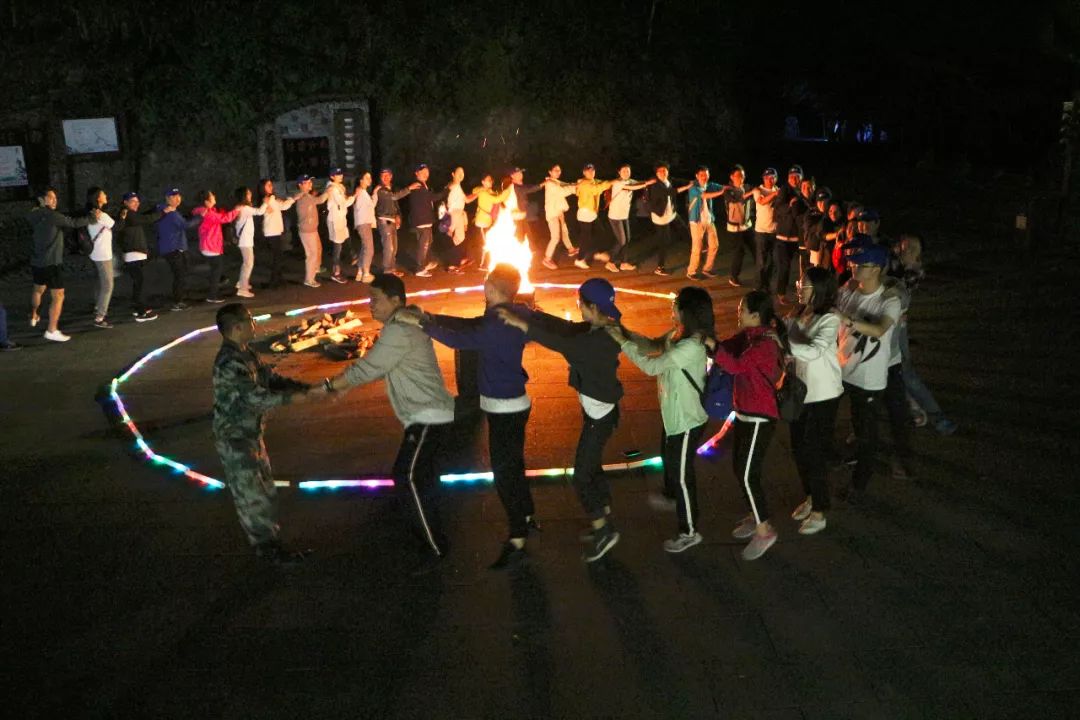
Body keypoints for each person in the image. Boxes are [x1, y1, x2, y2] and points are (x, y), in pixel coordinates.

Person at [401, 264, 537, 569]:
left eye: (486, 282)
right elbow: (470, 325)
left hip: (503, 408)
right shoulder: (514, 313)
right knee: (513, 464)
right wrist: (431, 318)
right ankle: (527, 513)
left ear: (490, 288)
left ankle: (518, 536)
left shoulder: (495, 326)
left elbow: (459, 340)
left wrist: (422, 324)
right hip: (516, 403)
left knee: (504, 474)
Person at [319, 274, 456, 563]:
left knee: (408, 476)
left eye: (376, 299)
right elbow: (375, 368)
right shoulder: (402, 325)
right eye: (370, 299)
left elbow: (366, 369)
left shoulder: (399, 331)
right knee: (421, 478)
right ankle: (429, 536)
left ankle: (434, 547)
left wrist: (330, 387)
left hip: (428, 415)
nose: (371, 305)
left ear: (395, 300)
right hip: (428, 413)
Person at [496, 278, 625, 563]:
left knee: (581, 475)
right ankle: (604, 516)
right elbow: (566, 329)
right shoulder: (605, 326)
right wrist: (531, 314)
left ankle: (604, 531)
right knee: (591, 467)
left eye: (580, 304)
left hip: (599, 417)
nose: (578, 308)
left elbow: (559, 341)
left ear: (592, 307)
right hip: (601, 412)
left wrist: (522, 324)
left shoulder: (592, 342)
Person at [608, 286, 711, 553]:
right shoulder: (678, 334)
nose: (671, 308)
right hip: (674, 417)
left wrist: (622, 343)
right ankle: (673, 496)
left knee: (683, 476)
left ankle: (689, 531)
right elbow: (653, 345)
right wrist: (624, 332)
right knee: (673, 465)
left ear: (687, 311)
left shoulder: (691, 345)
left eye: (675, 305)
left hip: (688, 420)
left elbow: (651, 366)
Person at [212, 303, 311, 565]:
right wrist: (295, 398)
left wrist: (306, 389)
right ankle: (268, 551)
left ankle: (271, 544)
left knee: (264, 490)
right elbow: (255, 398)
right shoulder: (229, 362)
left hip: (250, 434)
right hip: (235, 438)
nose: (254, 323)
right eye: (249, 320)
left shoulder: (247, 353)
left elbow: (270, 379)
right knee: (252, 497)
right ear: (237, 327)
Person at [712, 290, 785, 560]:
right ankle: (756, 515)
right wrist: (710, 343)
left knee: (746, 472)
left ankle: (765, 530)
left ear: (755, 315)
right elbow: (727, 348)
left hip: (759, 416)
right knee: (739, 467)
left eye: (742, 309)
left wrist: (713, 348)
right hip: (744, 411)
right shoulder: (748, 336)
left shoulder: (764, 344)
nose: (738, 312)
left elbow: (735, 365)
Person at [834, 244, 902, 500]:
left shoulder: (889, 301)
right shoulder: (850, 292)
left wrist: (847, 319)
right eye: (854, 263)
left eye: (861, 264)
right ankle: (849, 458)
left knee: (866, 434)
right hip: (843, 371)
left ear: (876, 269)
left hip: (869, 379)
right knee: (850, 421)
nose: (854, 267)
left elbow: (880, 329)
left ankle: (859, 484)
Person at [786, 268, 843, 535]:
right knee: (798, 448)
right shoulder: (799, 313)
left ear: (819, 288)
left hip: (823, 395)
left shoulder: (830, 318)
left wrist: (784, 342)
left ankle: (820, 510)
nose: (800, 288)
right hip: (800, 392)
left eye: (805, 284)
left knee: (814, 451)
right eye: (800, 283)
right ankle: (810, 496)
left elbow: (814, 350)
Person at [890, 235, 957, 435]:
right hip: (892, 323)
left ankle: (937, 417)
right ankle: (915, 409)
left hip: (896, 327)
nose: (901, 251)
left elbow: (896, 290)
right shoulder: (897, 266)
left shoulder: (912, 272)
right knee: (895, 373)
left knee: (905, 372)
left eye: (906, 249)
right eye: (901, 248)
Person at [28, 186, 95, 341]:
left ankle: (34, 315)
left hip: (37, 261)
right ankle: (51, 330)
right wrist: (91, 218)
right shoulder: (52, 216)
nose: (54, 200)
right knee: (58, 295)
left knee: (38, 289)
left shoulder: (33, 214)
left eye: (55, 198)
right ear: (41, 200)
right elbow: (73, 223)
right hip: (51, 262)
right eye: (51, 197)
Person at [114, 191, 164, 321]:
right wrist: (162, 212)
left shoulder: (129, 214)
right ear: (125, 202)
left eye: (137, 201)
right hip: (134, 254)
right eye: (133, 201)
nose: (137, 204)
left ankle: (139, 308)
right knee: (141, 284)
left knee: (139, 283)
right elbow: (145, 219)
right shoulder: (127, 213)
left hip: (135, 254)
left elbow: (143, 216)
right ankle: (142, 312)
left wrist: (155, 209)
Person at [155, 187, 199, 311]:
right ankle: (177, 301)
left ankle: (180, 298)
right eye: (174, 196)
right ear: (167, 198)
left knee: (181, 274)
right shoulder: (171, 213)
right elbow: (185, 225)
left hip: (171, 248)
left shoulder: (166, 211)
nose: (178, 199)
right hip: (173, 248)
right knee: (180, 275)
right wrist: (200, 217)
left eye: (179, 196)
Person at [193, 190, 240, 303]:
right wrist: (237, 210)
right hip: (211, 246)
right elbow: (225, 218)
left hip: (209, 245)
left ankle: (217, 286)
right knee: (216, 271)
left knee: (216, 269)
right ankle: (212, 295)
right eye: (212, 196)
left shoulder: (207, 211)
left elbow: (220, 216)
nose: (214, 196)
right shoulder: (207, 213)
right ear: (206, 201)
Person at [604, 164, 652, 272]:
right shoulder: (618, 183)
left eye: (628, 171)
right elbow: (633, 187)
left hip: (624, 215)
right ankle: (610, 262)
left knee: (627, 239)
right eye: (624, 171)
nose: (626, 173)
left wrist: (650, 181)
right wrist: (647, 183)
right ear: (619, 172)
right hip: (615, 216)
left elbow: (638, 183)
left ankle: (624, 263)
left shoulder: (630, 181)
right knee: (622, 240)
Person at [401, 163, 446, 277]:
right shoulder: (418, 185)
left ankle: (424, 263)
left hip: (425, 220)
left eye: (427, 172)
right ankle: (420, 268)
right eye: (423, 172)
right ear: (417, 173)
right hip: (421, 220)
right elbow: (432, 197)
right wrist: (446, 191)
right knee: (423, 244)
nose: (426, 174)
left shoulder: (423, 185)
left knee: (428, 242)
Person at [684, 165, 725, 280]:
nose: (704, 177)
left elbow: (723, 187)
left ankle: (707, 269)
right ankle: (691, 271)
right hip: (696, 221)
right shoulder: (693, 188)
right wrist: (721, 192)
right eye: (701, 175)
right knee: (697, 248)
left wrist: (730, 187)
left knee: (714, 245)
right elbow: (704, 196)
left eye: (706, 175)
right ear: (697, 176)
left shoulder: (709, 185)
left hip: (709, 220)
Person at [771, 165, 805, 304]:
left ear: (801, 178)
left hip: (799, 237)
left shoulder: (804, 190)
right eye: (791, 177)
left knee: (804, 267)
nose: (794, 179)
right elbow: (778, 210)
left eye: (797, 176)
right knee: (784, 267)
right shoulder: (784, 190)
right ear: (788, 178)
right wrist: (790, 205)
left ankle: (805, 292)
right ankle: (781, 293)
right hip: (783, 237)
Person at [258, 178, 300, 289]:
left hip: (275, 230)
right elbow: (281, 206)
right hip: (271, 231)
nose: (271, 187)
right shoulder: (267, 199)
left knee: (278, 256)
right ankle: (274, 281)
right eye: (268, 185)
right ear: (263, 188)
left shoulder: (272, 198)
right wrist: (292, 199)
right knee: (277, 256)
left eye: (271, 185)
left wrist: (293, 199)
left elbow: (283, 206)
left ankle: (278, 278)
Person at [84, 187, 116, 329]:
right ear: (98, 198)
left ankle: (98, 306)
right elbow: (116, 225)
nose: (106, 195)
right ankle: (100, 317)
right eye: (103, 194)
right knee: (108, 284)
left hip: (97, 253)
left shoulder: (92, 213)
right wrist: (122, 215)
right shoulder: (100, 215)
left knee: (101, 281)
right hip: (103, 254)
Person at [371, 168, 412, 277]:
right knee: (389, 247)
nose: (386, 177)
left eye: (388, 175)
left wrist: (398, 215)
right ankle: (387, 270)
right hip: (384, 220)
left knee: (394, 247)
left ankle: (392, 269)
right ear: (380, 177)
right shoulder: (380, 190)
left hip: (392, 221)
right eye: (383, 175)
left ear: (391, 176)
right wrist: (409, 188)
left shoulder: (391, 188)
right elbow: (394, 196)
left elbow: (395, 204)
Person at [572, 163, 613, 270]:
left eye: (593, 170)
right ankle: (579, 260)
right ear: (584, 172)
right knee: (586, 238)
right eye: (588, 171)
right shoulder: (585, 183)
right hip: (585, 213)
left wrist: (613, 181)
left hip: (591, 213)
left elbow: (601, 183)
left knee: (600, 232)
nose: (591, 172)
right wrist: (612, 182)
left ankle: (599, 252)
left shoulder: (593, 181)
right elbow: (597, 189)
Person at [232, 186, 270, 298]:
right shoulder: (244, 208)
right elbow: (259, 212)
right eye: (248, 193)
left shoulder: (242, 208)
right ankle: (243, 289)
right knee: (248, 263)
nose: (250, 195)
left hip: (244, 240)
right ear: (244, 196)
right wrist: (265, 203)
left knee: (246, 263)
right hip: (245, 241)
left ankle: (242, 283)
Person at [720, 164, 755, 287]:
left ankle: (763, 272)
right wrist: (751, 193)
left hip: (747, 225)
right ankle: (733, 277)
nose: (741, 178)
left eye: (743, 175)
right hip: (734, 227)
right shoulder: (728, 190)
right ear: (732, 176)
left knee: (756, 248)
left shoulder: (747, 187)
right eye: (738, 175)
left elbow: (756, 194)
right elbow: (736, 199)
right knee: (739, 252)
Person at [644, 162, 680, 276]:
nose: (662, 173)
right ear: (656, 173)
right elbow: (670, 192)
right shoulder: (655, 184)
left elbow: (680, 180)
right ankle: (660, 267)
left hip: (670, 213)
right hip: (659, 216)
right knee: (663, 242)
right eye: (660, 171)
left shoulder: (669, 180)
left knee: (672, 235)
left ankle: (698, 246)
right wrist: (687, 187)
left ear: (668, 171)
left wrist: (692, 182)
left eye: (664, 170)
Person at [293, 175, 329, 287]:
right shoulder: (304, 197)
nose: (310, 184)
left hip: (311, 229)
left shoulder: (306, 196)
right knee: (312, 254)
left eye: (310, 182)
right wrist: (329, 190)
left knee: (317, 249)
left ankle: (316, 268)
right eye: (307, 182)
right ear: (300, 185)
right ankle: (309, 279)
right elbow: (320, 200)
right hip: (308, 231)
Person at [541, 163, 578, 269]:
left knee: (564, 231)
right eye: (556, 170)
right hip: (553, 214)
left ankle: (571, 249)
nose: (558, 172)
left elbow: (566, 185)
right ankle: (547, 259)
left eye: (559, 170)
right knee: (555, 237)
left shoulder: (556, 182)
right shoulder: (550, 183)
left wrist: (576, 184)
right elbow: (563, 191)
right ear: (550, 172)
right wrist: (575, 187)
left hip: (559, 212)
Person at [324, 167, 357, 284]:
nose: (340, 176)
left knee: (346, 238)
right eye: (337, 174)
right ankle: (336, 272)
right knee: (337, 246)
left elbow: (345, 201)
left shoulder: (340, 187)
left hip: (341, 218)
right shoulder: (332, 189)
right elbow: (343, 202)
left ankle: (353, 256)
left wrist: (350, 198)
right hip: (335, 219)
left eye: (341, 174)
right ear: (332, 177)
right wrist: (354, 196)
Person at [471, 173, 511, 269]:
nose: (491, 182)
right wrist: (508, 190)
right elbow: (498, 199)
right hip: (481, 222)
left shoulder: (487, 191)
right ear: (483, 182)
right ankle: (482, 264)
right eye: (488, 180)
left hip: (487, 222)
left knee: (487, 242)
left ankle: (486, 263)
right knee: (485, 244)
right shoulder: (483, 193)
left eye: (491, 180)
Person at [751, 168, 780, 292]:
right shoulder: (758, 190)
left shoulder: (778, 190)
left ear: (776, 179)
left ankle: (766, 284)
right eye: (767, 177)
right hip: (761, 231)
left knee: (774, 261)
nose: (770, 180)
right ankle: (758, 287)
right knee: (761, 261)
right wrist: (775, 194)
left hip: (775, 231)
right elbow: (761, 201)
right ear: (763, 179)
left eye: (772, 177)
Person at [443, 166, 475, 273]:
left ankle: (457, 261)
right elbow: (450, 187)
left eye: (462, 173)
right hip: (453, 214)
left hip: (459, 213)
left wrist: (478, 193)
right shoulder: (453, 185)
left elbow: (467, 200)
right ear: (453, 174)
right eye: (458, 173)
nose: (461, 175)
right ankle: (452, 265)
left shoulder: (459, 187)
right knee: (454, 239)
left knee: (460, 238)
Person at [350, 171, 377, 283]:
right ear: (361, 180)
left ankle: (360, 272)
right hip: (364, 223)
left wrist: (375, 193)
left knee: (364, 248)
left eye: (370, 177)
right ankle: (366, 273)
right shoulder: (360, 191)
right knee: (369, 249)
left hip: (363, 223)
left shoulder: (363, 192)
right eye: (366, 178)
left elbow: (371, 206)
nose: (369, 180)